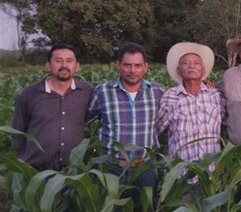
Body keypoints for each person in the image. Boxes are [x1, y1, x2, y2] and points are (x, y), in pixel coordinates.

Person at [87, 42, 163, 201]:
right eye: (127, 65)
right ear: (118, 65)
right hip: (113, 168)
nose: (133, 70)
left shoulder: (157, 91)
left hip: (145, 167)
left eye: (138, 65)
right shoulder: (102, 92)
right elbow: (87, 119)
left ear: (146, 67)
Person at [11, 43, 93, 171]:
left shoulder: (87, 92)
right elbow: (18, 132)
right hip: (34, 170)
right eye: (58, 61)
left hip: (74, 172)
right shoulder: (29, 94)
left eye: (69, 61)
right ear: (48, 65)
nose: (64, 66)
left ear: (77, 66)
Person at [156, 42, 224, 185]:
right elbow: (156, 130)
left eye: (196, 63)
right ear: (179, 70)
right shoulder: (170, 97)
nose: (191, 66)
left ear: (203, 69)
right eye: (185, 63)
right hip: (181, 177)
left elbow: (227, 119)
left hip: (211, 175)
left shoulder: (216, 95)